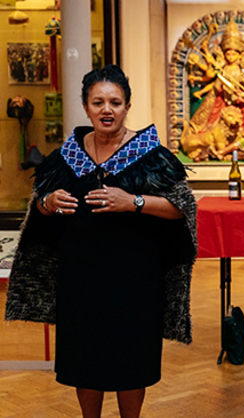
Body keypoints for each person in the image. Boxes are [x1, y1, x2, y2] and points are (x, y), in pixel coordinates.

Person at [5, 65, 197, 418]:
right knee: (84, 359)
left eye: (115, 102)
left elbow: (181, 208)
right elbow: (38, 204)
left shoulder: (151, 155)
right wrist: (47, 204)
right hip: (80, 279)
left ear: (127, 106)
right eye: (98, 102)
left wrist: (133, 202)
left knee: (131, 360)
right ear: (85, 106)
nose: (107, 109)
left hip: (136, 278)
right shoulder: (67, 156)